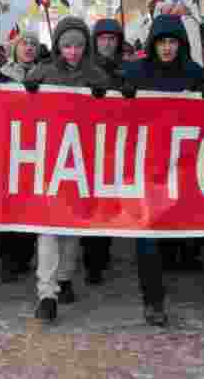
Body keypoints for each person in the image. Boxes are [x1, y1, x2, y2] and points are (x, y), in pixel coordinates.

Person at [25, 17, 110, 323]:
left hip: (82, 159)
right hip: (49, 158)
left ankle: (64, 276)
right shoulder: (43, 71)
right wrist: (27, 90)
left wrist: (111, 95)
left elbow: (114, 115)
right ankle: (46, 293)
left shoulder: (96, 74)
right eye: (66, 46)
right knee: (48, 226)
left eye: (78, 46)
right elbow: (19, 107)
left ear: (85, 46)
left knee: (72, 226)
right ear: (58, 46)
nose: (72, 51)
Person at [122, 14, 204, 326]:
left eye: (172, 42)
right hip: (146, 165)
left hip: (182, 165)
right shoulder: (135, 72)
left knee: (172, 231)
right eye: (161, 42)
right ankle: (153, 300)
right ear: (152, 44)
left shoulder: (194, 73)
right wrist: (117, 93)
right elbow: (107, 104)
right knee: (147, 233)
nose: (167, 48)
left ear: (181, 44)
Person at [79, 18, 130, 286]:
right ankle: (91, 258)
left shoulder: (127, 69)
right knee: (89, 202)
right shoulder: (84, 67)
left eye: (112, 39)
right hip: (86, 143)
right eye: (102, 38)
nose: (107, 43)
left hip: (114, 144)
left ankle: (100, 256)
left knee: (106, 203)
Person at [0, 31, 41, 284]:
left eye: (33, 44)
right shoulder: (1, 75)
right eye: (24, 43)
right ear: (15, 47)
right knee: (8, 204)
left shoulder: (45, 75)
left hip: (35, 147)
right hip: (7, 146)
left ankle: (24, 256)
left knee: (30, 204)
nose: (29, 47)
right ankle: (7, 260)